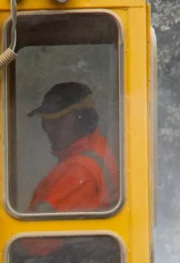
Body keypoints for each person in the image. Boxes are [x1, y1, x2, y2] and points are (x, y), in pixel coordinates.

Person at [27, 81, 117, 213]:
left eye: (58, 121)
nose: (50, 130)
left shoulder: (78, 170)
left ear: (83, 118)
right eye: (46, 123)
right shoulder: (103, 147)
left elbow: (37, 225)